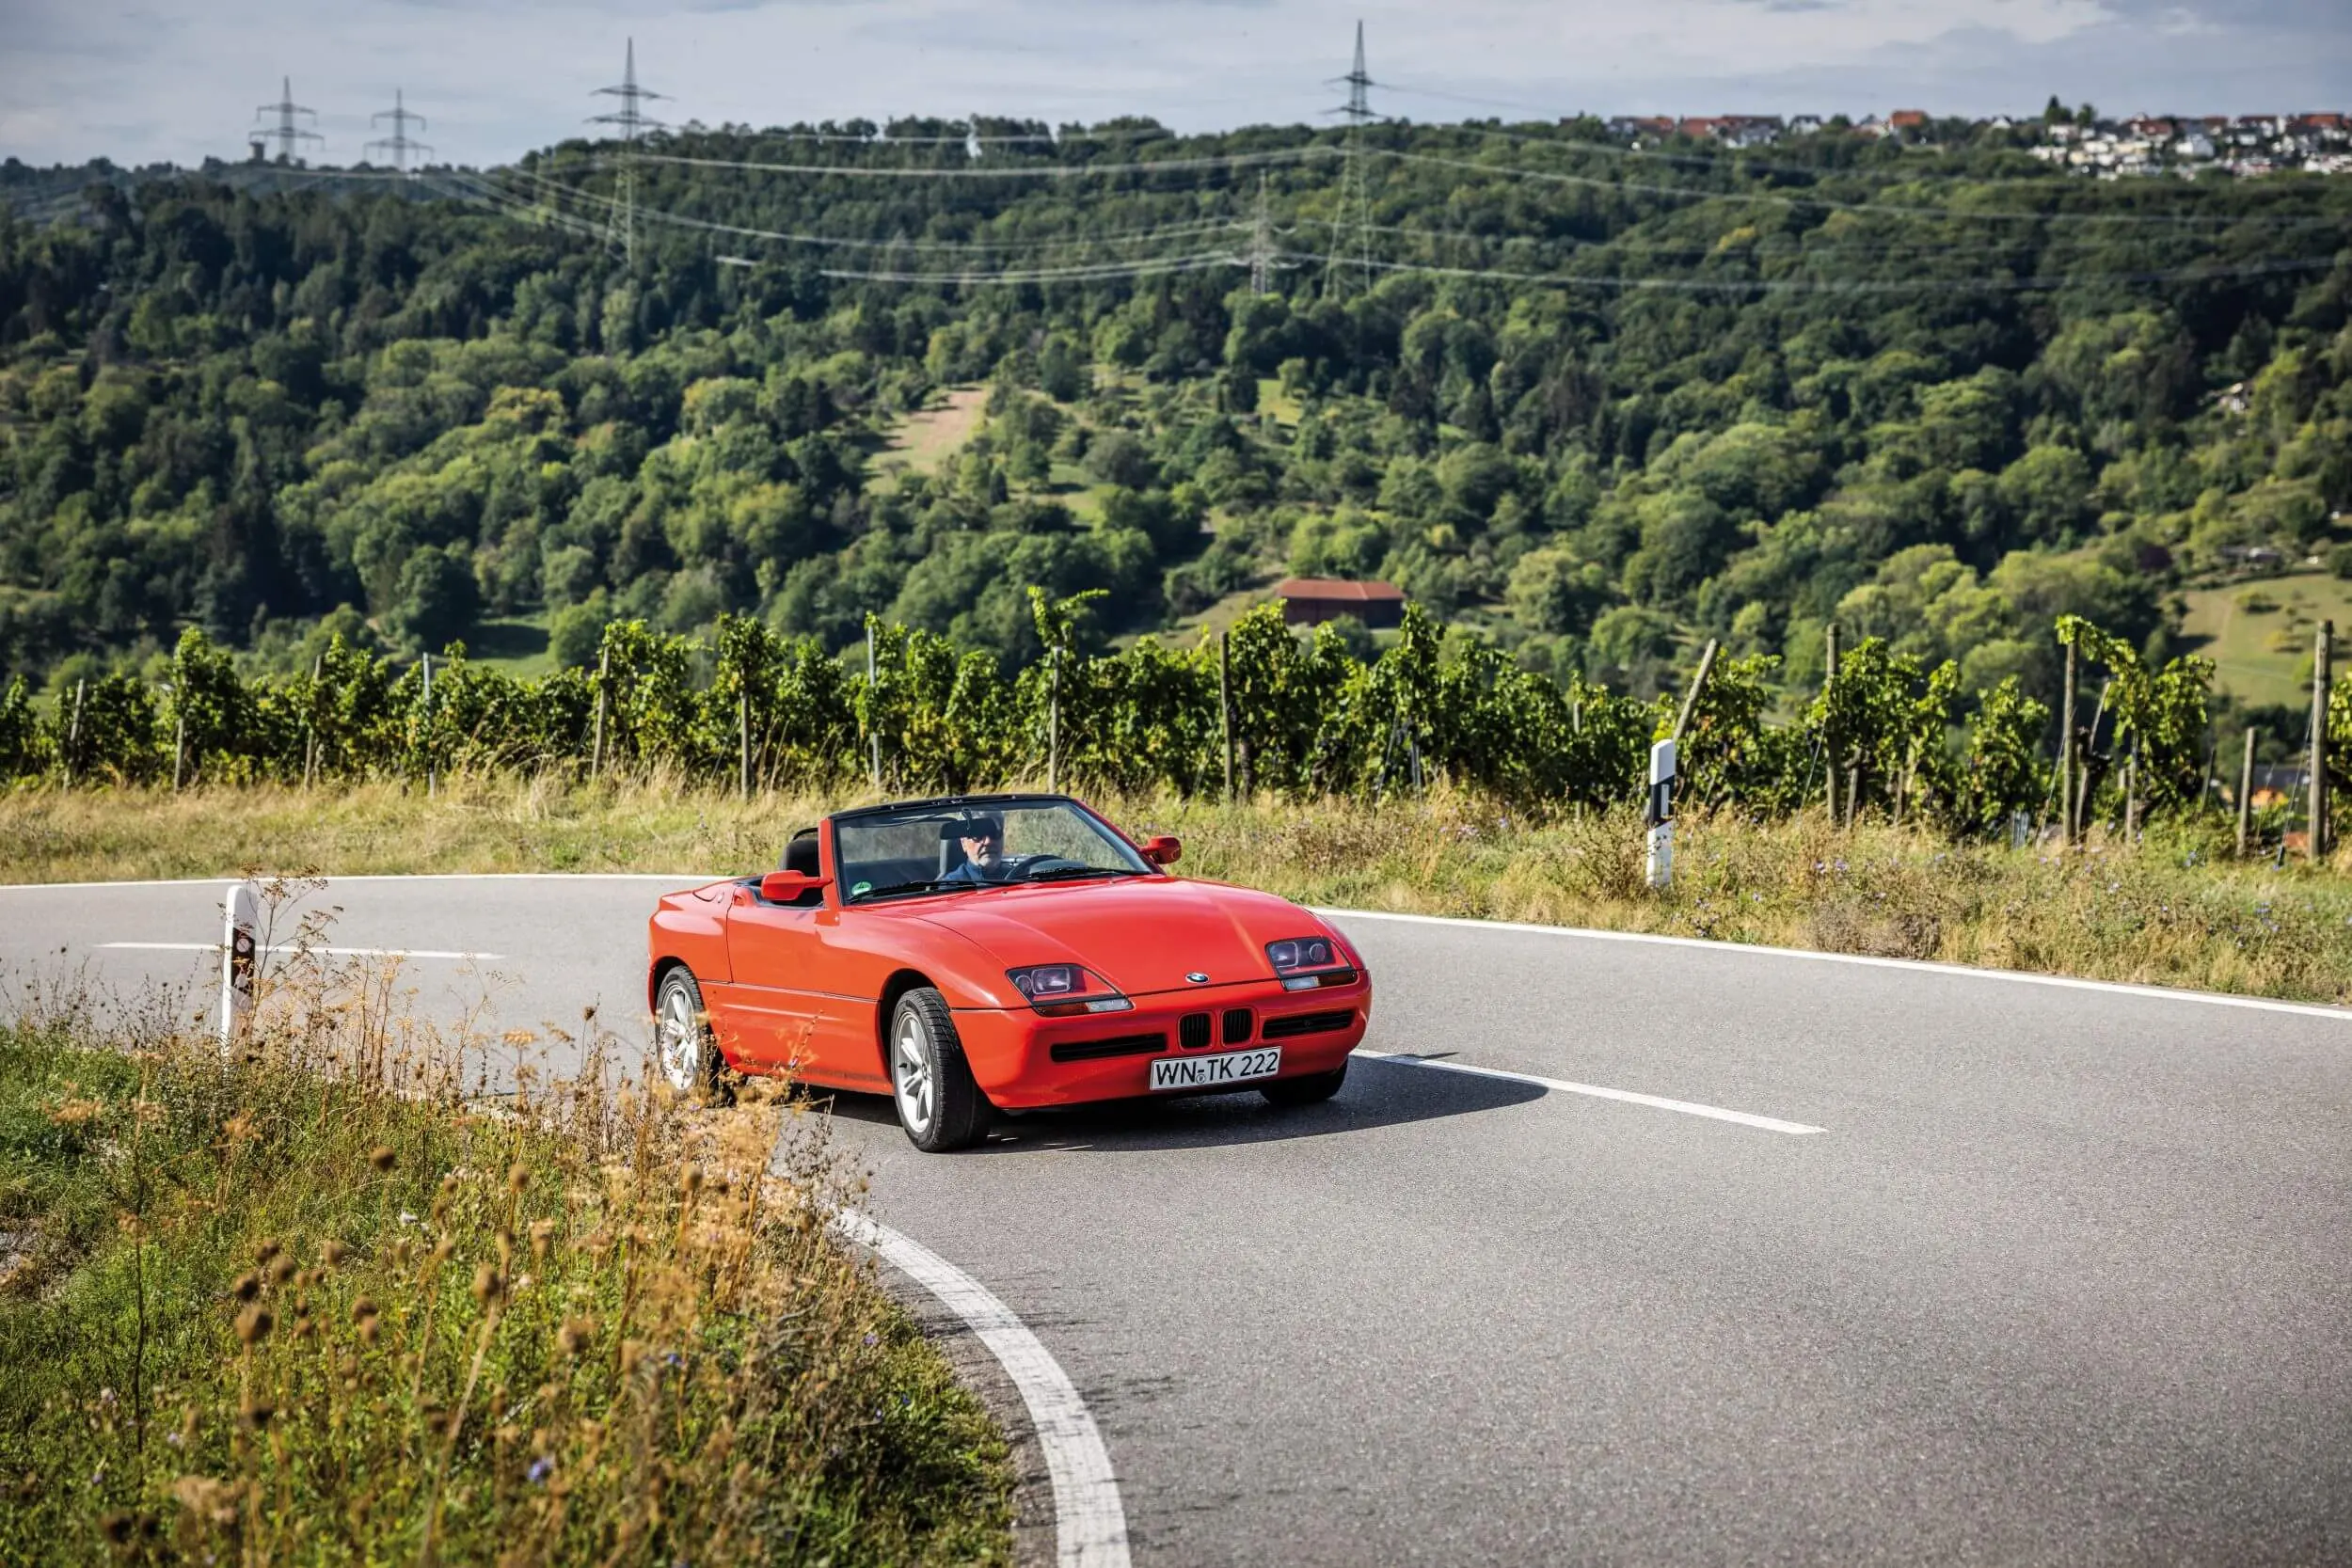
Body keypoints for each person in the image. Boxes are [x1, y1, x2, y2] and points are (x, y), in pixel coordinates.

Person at [939, 816, 1020, 884]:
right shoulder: (951, 886)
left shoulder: (1021, 876)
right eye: (978, 835)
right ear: (963, 843)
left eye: (994, 834)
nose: (988, 842)